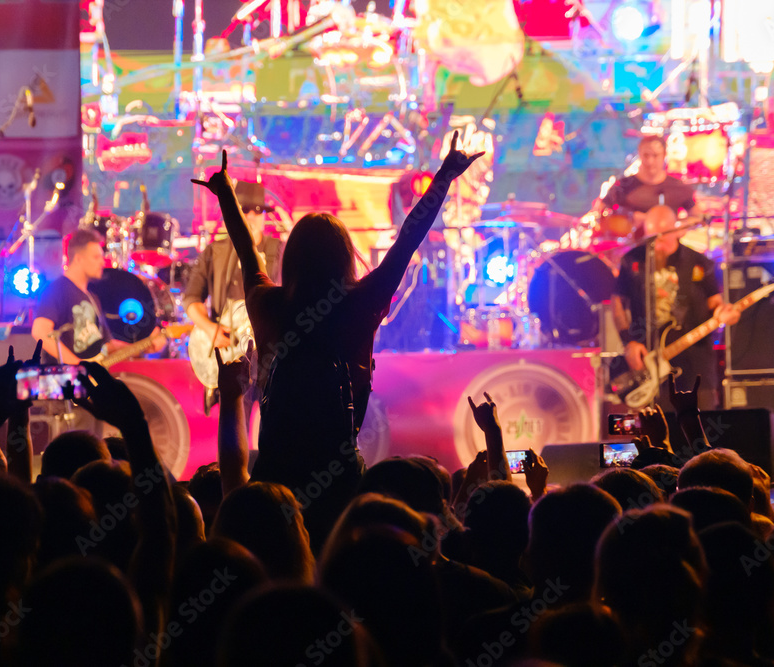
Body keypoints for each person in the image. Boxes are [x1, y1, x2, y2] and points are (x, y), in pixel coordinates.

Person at [191, 131, 482, 540]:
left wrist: (224, 193)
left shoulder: (267, 306)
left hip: (273, 477)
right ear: (346, 257)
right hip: (340, 478)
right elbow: (407, 240)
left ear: (291, 259)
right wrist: (446, 175)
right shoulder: (361, 304)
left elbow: (246, 250)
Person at [611, 205, 740, 409]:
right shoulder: (633, 260)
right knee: (657, 436)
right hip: (650, 365)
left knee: (699, 432)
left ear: (677, 231)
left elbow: (715, 302)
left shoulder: (698, 262)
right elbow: (617, 303)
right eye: (651, 239)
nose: (656, 246)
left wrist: (722, 313)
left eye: (661, 239)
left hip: (695, 366)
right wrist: (628, 342)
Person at [183, 180, 284, 410]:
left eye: (257, 210)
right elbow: (191, 299)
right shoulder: (214, 252)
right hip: (231, 356)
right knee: (235, 422)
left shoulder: (279, 250)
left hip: (270, 355)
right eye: (244, 209)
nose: (250, 216)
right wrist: (211, 329)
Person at [31, 227, 123, 364]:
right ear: (78, 259)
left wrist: (143, 347)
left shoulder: (92, 298)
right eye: (96, 257)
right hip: (65, 380)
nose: (103, 262)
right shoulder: (56, 289)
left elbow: (106, 346)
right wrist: (78, 367)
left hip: (89, 378)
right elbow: (40, 332)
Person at [595, 134, 703, 234]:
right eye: (646, 155)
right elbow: (600, 212)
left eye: (655, 155)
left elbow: (697, 217)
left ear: (664, 155)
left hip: (666, 247)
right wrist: (630, 217)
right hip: (630, 248)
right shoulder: (623, 186)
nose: (650, 161)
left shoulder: (678, 187)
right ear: (639, 154)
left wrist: (675, 226)